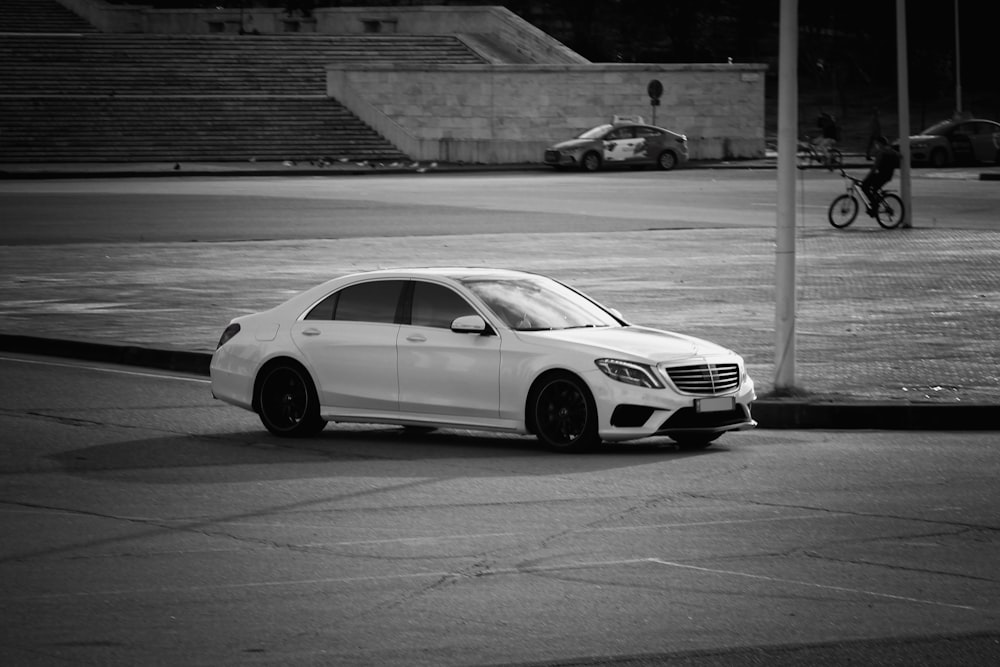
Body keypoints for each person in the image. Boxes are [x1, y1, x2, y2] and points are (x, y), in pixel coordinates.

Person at [861, 136, 900, 214]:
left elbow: (875, 167)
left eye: (876, 144)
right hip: (888, 176)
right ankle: (875, 204)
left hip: (881, 175)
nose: (876, 146)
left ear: (880, 144)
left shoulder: (881, 152)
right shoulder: (892, 151)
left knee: (864, 186)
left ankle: (875, 206)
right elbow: (900, 156)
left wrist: (866, 177)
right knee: (874, 189)